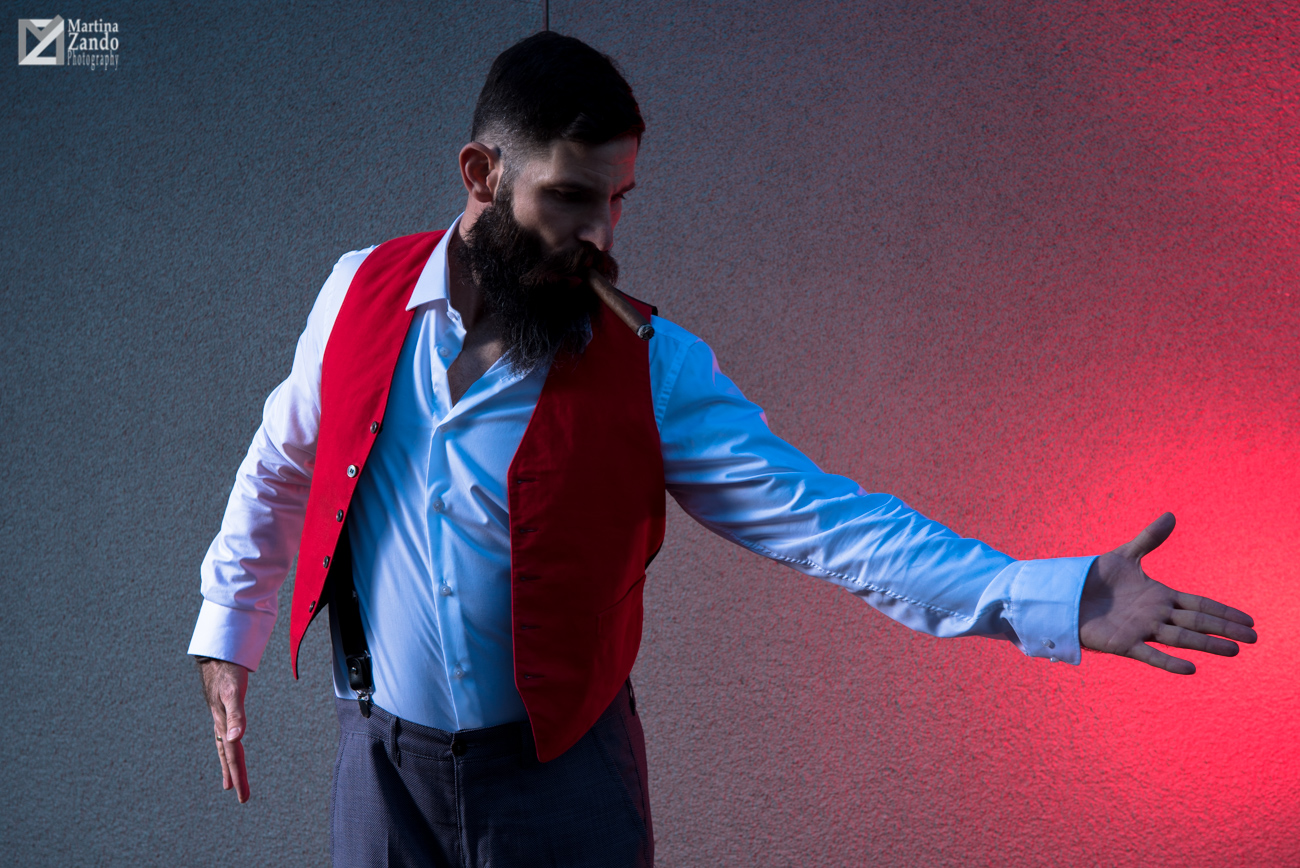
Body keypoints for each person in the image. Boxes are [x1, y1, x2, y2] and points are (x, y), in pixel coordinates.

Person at [188, 31, 1257, 868]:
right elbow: (281, 466)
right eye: (570, 197)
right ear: (479, 172)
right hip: (382, 771)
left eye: (616, 201)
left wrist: (1050, 594)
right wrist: (228, 625)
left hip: (561, 781)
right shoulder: (354, 293)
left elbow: (833, 527)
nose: (601, 235)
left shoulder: (653, 366)